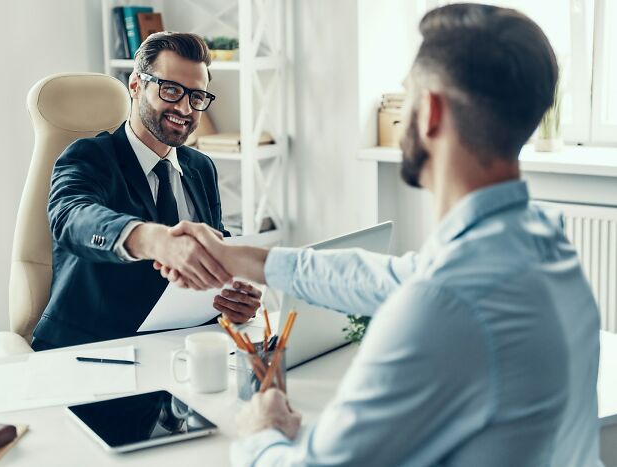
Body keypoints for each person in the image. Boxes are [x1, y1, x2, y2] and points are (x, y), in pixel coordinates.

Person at [156, 5, 601, 466]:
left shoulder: (445, 307)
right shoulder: (542, 246)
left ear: (429, 111)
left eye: (405, 96)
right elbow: (384, 277)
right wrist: (237, 258)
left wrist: (259, 432)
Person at [31, 32, 261, 351]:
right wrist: (154, 240)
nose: (185, 108)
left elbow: (210, 250)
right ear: (136, 86)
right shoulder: (88, 157)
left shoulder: (201, 168)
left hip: (178, 349)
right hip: (94, 351)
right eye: (170, 90)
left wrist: (229, 297)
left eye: (197, 96)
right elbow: (73, 219)